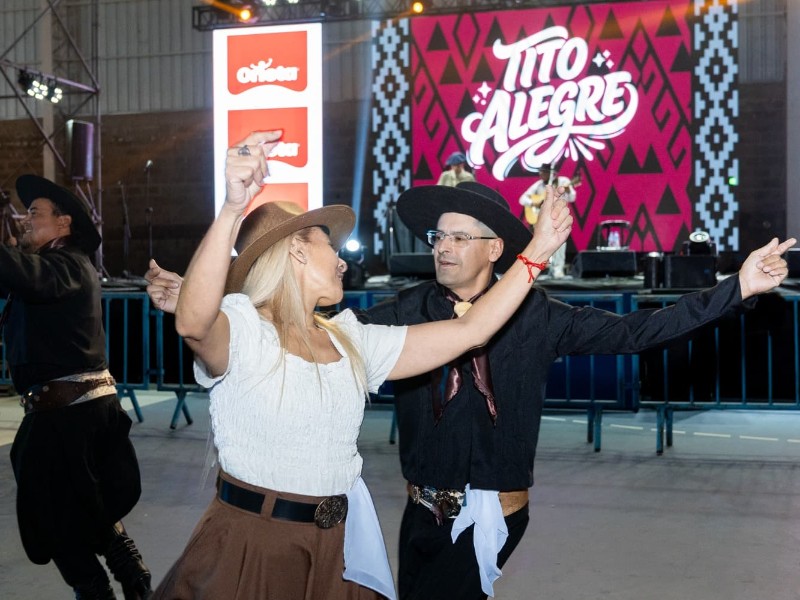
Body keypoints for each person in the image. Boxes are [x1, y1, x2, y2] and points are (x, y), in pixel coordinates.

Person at [147, 181, 795, 600]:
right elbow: (242, 332)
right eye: (438, 236)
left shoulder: (535, 314)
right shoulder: (390, 316)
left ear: (495, 251)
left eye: (460, 236)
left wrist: (734, 288)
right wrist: (207, 298)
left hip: (487, 510)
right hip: (410, 512)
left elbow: (638, 330)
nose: (444, 247)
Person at [149, 130, 571, 600]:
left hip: (337, 549)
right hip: (255, 544)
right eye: (330, 246)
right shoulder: (246, 329)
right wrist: (232, 207)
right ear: (296, 250)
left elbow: (470, 332)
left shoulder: (350, 338)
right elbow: (194, 324)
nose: (343, 262)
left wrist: (537, 252)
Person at [4, 175, 153, 600]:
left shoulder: (67, 264)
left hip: (68, 414)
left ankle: (97, 590)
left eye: (35, 213)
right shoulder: (56, 265)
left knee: (54, 516)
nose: (25, 219)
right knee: (82, 504)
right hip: (71, 412)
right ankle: (128, 569)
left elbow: (25, 273)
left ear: (64, 222)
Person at [518, 163, 580, 277]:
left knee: (560, 243)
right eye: (540, 172)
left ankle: (557, 269)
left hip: (558, 217)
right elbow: (522, 199)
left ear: (551, 173)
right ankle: (541, 269)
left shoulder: (563, 182)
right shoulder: (538, 186)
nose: (540, 174)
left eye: (543, 172)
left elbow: (572, 197)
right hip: (544, 220)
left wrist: (568, 190)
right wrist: (534, 202)